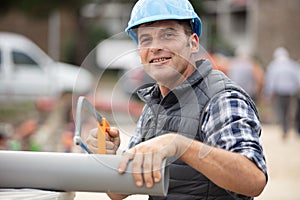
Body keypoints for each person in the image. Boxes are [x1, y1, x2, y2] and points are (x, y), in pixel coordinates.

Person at [87, 0, 267, 199]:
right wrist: (107, 155)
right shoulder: (153, 106)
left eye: (168, 35)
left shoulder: (221, 99)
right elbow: (119, 193)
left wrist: (180, 145)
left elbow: (253, 180)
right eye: (146, 39)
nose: (155, 47)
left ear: (193, 43)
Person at [264, 47, 300, 139]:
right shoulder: (292, 64)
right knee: (289, 109)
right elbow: (297, 77)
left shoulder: (274, 66)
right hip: (291, 91)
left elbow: (270, 80)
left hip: (280, 91)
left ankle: (285, 128)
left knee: (282, 110)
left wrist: (268, 93)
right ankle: (289, 126)